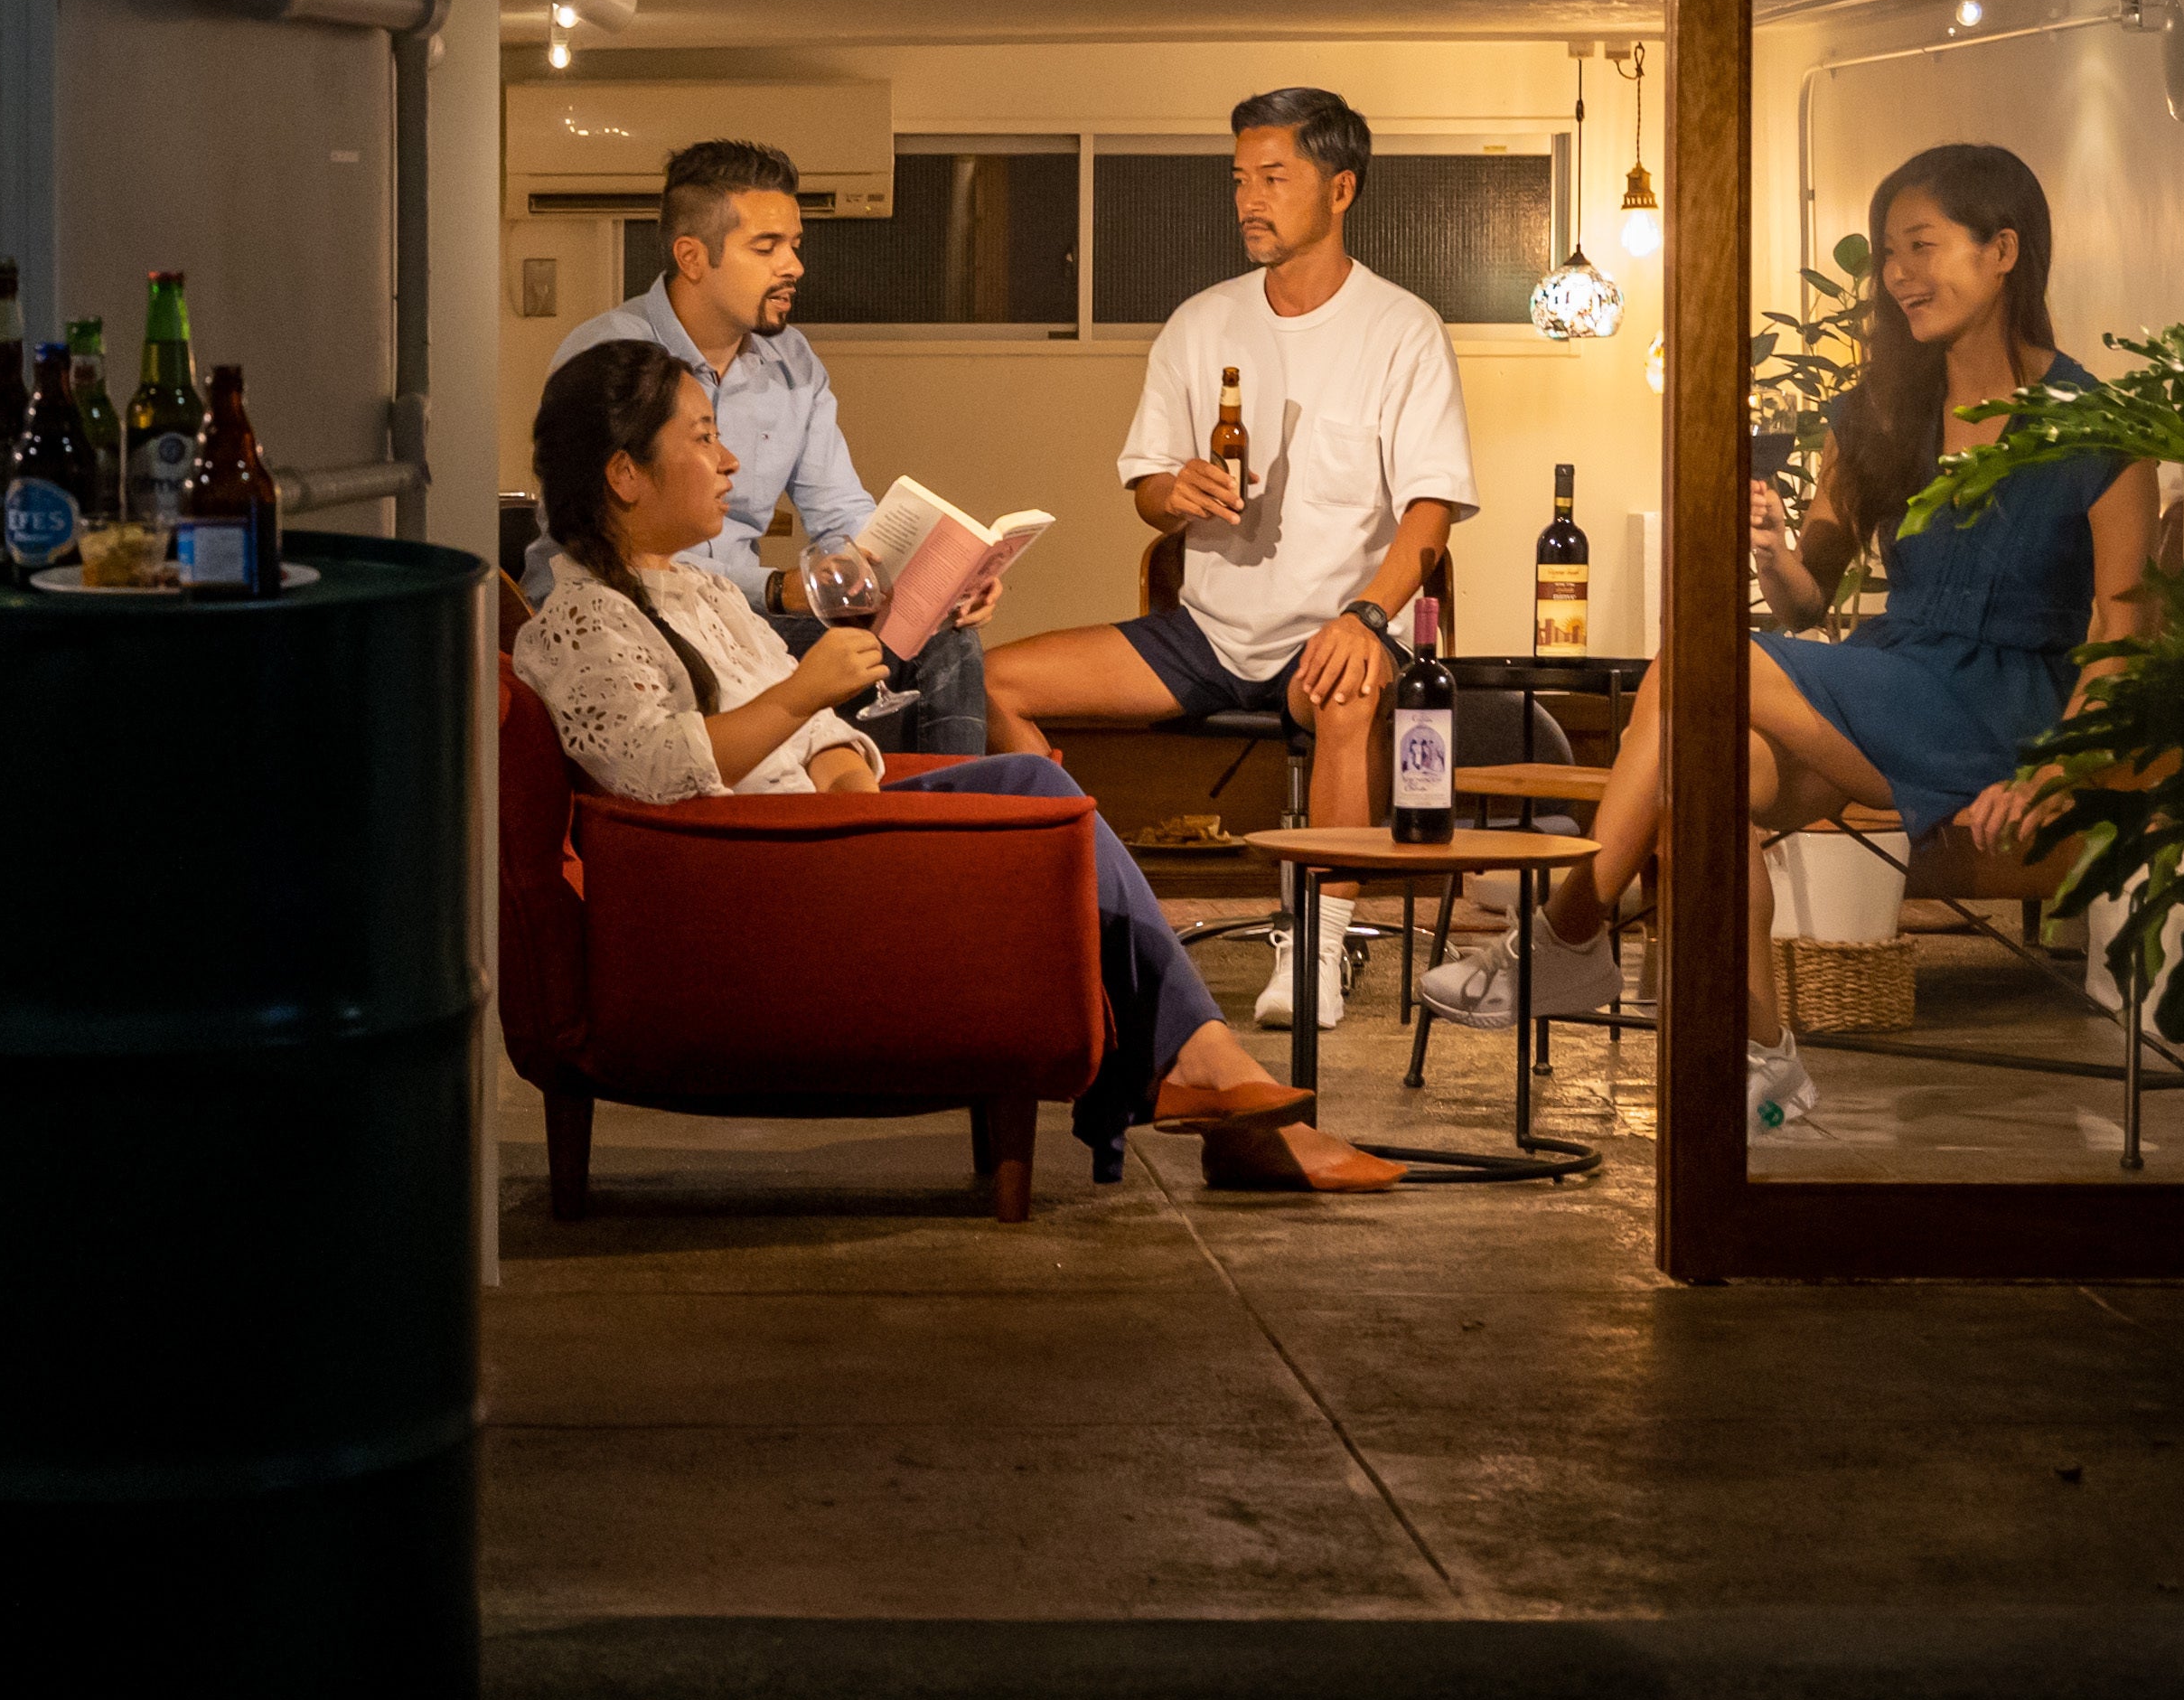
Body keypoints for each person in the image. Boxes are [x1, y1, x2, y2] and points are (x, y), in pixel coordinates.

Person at [512, 339, 1403, 1193]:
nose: (730, 460)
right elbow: (657, 770)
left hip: (810, 840)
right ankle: (1210, 1081)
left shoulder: (702, 591)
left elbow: (811, 733)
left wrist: (850, 786)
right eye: (703, 437)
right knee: (1036, 793)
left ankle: (1211, 1083)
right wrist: (803, 705)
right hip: (755, 881)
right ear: (625, 473)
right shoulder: (583, 622)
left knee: (1041, 803)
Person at [1417, 143, 2161, 1139]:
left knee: (1696, 665)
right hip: (1895, 676)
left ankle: (1569, 930)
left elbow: (2121, 631)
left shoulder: (2100, 426)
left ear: (2003, 251)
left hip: (2008, 712)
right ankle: (1762, 1053)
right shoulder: (1879, 415)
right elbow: (1808, 601)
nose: (1897, 273)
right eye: (1887, 252)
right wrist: (1771, 550)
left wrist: (2056, 771)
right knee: (1708, 771)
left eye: (1921, 245)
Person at [978, 86, 1477, 1035]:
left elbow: (1430, 510)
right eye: (1240, 179)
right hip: (1206, 631)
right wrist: (1175, 490)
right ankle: (1089, 902)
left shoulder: (1401, 328)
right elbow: (1145, 486)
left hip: (1336, 625)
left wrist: (1365, 617)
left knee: (1344, 690)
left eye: (1273, 178)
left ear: (1340, 188)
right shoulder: (1199, 323)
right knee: (992, 677)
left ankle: (1319, 940)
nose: (1249, 199)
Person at [533, 139, 998, 753]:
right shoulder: (613, 357)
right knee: (897, 662)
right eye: (767, 247)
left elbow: (842, 516)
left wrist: (932, 581)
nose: (794, 266)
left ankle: (940, 805)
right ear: (692, 257)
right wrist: (775, 589)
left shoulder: (793, 362)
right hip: (630, 610)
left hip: (738, 616)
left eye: (795, 245)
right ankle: (930, 807)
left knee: (938, 638)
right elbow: (592, 538)